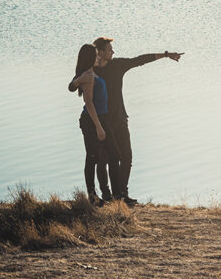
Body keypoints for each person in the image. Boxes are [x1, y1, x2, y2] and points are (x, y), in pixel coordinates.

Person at [70, 37, 183, 205]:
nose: (113, 52)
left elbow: (140, 60)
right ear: (99, 52)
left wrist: (166, 55)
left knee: (126, 157)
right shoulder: (91, 70)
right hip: (100, 120)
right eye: (109, 49)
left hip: (119, 120)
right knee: (102, 160)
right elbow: (74, 86)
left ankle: (121, 193)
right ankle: (106, 194)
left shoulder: (118, 65)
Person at [69, 44, 121, 206]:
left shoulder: (91, 73)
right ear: (91, 57)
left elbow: (72, 85)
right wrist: (99, 127)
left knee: (114, 155)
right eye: (96, 54)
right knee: (93, 157)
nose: (99, 56)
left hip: (102, 118)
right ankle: (93, 196)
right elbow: (89, 103)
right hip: (92, 121)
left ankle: (115, 196)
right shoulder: (88, 76)